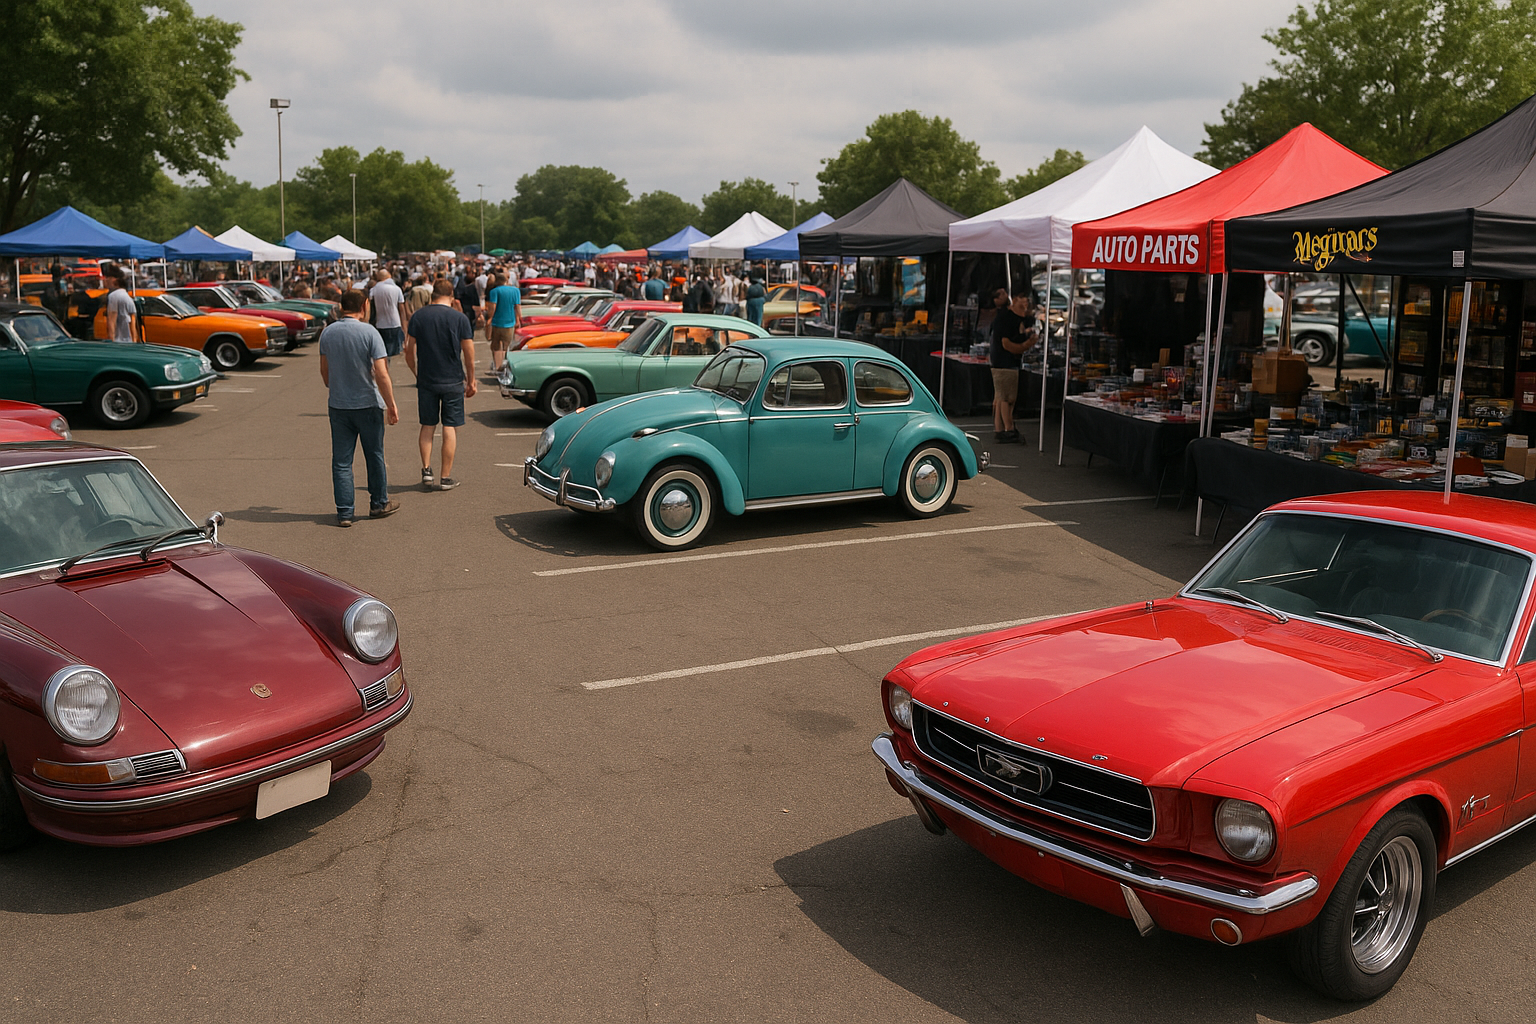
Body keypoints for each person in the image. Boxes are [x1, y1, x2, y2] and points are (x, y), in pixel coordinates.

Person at [319, 290, 400, 527]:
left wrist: (336, 384)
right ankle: (378, 502)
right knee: (374, 454)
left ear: (341, 306)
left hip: (339, 404)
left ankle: (345, 511)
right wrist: (391, 404)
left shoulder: (328, 333)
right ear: (364, 305)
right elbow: (382, 374)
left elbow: (325, 374)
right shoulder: (370, 332)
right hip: (368, 403)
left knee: (342, 460)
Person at [406, 279, 477, 491]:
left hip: (427, 379)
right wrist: (471, 379)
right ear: (451, 295)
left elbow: (408, 349)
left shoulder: (419, 316)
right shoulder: (459, 318)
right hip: (452, 379)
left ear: (432, 295)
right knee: (450, 426)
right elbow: (469, 353)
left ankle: (426, 470)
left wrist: (415, 372)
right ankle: (445, 477)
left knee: (427, 425)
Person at [989, 288, 1038, 444]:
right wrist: (1026, 344)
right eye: (1023, 299)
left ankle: (999, 429)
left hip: (1003, 361)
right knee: (1006, 397)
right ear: (1015, 299)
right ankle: (1008, 429)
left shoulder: (1014, 318)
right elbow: (1007, 344)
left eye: (1027, 300)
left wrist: (1025, 339)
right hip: (1004, 362)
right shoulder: (1007, 318)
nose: (1026, 303)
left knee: (1000, 396)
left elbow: (1013, 339)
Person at [483, 272, 522, 373]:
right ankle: (504, 366)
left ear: (497, 281)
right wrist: (518, 319)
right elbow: (517, 307)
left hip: (497, 322)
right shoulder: (516, 291)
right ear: (507, 280)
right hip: (510, 322)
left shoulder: (494, 291)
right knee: (506, 345)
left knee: (495, 345)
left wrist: (489, 318)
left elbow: (493, 307)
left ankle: (497, 366)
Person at [368, 269, 407, 360]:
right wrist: (404, 326)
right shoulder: (397, 289)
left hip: (380, 323)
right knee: (394, 353)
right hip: (395, 323)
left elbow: (370, 307)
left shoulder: (374, 290)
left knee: (382, 351)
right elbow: (401, 309)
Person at [102, 265, 136, 343]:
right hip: (128, 341)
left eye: (108, 278)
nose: (106, 280)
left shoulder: (113, 296)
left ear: (115, 280)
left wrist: (111, 339)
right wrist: (134, 341)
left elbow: (112, 320)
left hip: (118, 342)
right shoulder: (128, 297)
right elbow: (133, 322)